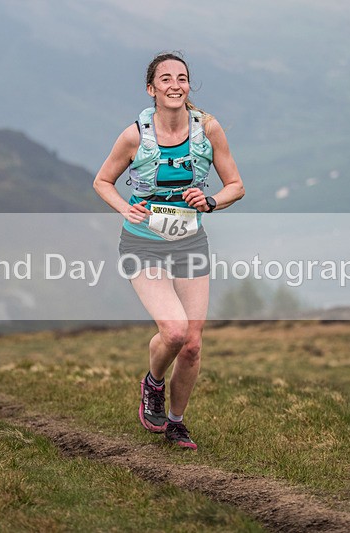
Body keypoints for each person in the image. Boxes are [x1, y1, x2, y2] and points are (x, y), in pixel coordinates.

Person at [93, 51, 245, 450]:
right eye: (165, 79)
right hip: (142, 244)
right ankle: (153, 383)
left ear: (188, 86)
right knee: (174, 331)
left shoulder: (208, 130)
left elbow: (236, 185)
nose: (175, 84)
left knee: (192, 344)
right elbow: (103, 181)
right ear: (151, 89)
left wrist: (210, 201)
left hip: (189, 242)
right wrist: (127, 208)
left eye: (182, 78)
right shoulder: (134, 136)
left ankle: (176, 423)